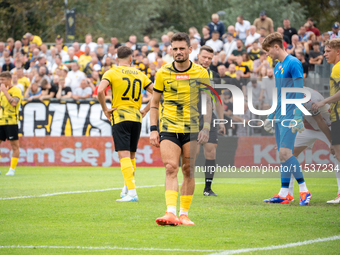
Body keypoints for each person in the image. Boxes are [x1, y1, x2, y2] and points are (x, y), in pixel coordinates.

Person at [150, 32, 211, 226]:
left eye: (182, 48)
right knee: (170, 167)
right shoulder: (163, 72)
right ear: (170, 50)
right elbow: (154, 102)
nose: (178, 52)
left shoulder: (201, 73)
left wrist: (207, 127)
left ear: (190, 50)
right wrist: (153, 128)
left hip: (192, 129)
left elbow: (207, 102)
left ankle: (184, 214)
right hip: (168, 127)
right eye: (175, 48)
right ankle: (170, 212)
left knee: (188, 170)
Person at [97, 46, 154, 202]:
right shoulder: (140, 74)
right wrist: (145, 110)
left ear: (117, 59)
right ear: (131, 59)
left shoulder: (111, 73)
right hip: (136, 118)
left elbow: (100, 91)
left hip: (120, 117)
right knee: (131, 155)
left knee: (123, 155)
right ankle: (127, 187)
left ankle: (133, 193)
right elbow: (156, 93)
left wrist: (105, 109)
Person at [262, 32, 311, 205]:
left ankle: (304, 190)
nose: (267, 54)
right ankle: (284, 194)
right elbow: (278, 94)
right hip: (280, 114)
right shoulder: (277, 67)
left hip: (291, 113)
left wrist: (298, 115)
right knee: (281, 155)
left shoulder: (294, 63)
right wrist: (271, 114)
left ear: (276, 47)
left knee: (285, 153)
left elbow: (300, 91)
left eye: (268, 50)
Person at [287, 87, 339, 203]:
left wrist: (332, 142)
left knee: (337, 155)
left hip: (327, 127)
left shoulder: (310, 98)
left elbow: (320, 121)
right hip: (309, 129)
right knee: (288, 154)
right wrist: (284, 141)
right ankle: (288, 194)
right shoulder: (288, 94)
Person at [311, 38, 340, 203]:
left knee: (338, 154)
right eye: (324, 51)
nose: (325, 54)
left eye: (328, 51)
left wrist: (323, 102)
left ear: (338, 52)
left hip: (339, 116)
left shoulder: (337, 68)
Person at [196, 45, 225, 196]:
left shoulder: (215, 76)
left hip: (209, 116)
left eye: (209, 58)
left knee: (211, 151)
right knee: (190, 154)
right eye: (204, 57)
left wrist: (221, 120)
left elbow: (218, 100)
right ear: (198, 56)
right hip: (191, 116)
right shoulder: (189, 73)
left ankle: (207, 188)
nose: (206, 60)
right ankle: (187, 184)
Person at [0, 72, 21, 176]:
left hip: (11, 122)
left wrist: (5, 91)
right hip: (1, 121)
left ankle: (12, 170)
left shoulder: (16, 90)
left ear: (9, 80)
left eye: (3, 80)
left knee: (14, 146)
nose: (1, 82)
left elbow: (14, 103)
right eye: (0, 80)